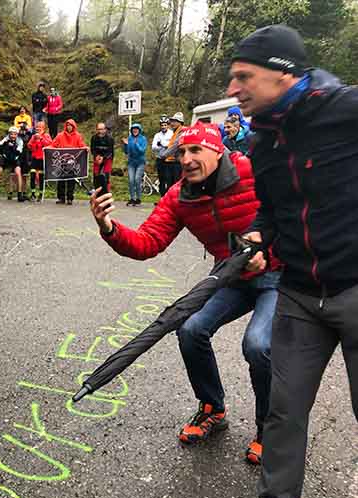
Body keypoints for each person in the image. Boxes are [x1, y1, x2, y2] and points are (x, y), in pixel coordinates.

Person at [226, 24, 358, 498]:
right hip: (301, 294)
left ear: (283, 74)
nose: (233, 88)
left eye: (243, 76)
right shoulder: (262, 139)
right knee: (283, 413)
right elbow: (273, 215)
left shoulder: (345, 110)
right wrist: (257, 242)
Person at [91, 121, 281, 461]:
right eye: (181, 152)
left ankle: (271, 429)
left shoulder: (254, 171)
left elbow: (295, 211)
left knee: (258, 345)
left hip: (278, 274)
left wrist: (268, 251)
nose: (187, 159)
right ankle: (212, 408)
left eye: (195, 150)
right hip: (229, 276)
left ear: (217, 150)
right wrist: (108, 227)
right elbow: (148, 242)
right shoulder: (179, 195)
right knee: (191, 328)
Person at [50, 118, 87, 205]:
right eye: (67, 125)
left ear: (74, 126)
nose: (69, 127)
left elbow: (81, 145)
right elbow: (53, 145)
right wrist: (47, 149)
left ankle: (70, 198)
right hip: (62, 161)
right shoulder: (60, 135)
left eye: (70, 125)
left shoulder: (78, 136)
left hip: (72, 162)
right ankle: (61, 198)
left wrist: (86, 148)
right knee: (61, 180)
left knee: (71, 180)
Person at [157, 111, 185, 186]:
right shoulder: (175, 132)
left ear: (180, 122)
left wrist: (163, 155)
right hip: (172, 161)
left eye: (175, 121)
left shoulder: (181, 132)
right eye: (172, 121)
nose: (172, 123)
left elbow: (174, 146)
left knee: (174, 185)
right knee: (170, 184)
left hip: (177, 163)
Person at [122, 122, 147, 206]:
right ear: (131, 130)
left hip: (140, 162)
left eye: (136, 129)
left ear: (139, 130)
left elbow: (142, 151)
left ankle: (138, 198)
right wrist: (125, 145)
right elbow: (126, 151)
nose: (135, 130)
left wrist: (136, 144)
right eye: (133, 129)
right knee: (131, 181)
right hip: (131, 163)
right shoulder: (129, 138)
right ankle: (132, 198)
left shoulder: (143, 139)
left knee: (137, 179)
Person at [27, 120, 52, 202]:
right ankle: (33, 193)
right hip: (34, 158)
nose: (38, 128)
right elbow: (29, 146)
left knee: (41, 177)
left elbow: (50, 144)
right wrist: (34, 141)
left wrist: (41, 139)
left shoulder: (46, 135)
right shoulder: (34, 136)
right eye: (37, 127)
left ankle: (41, 194)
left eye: (40, 127)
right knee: (32, 174)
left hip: (42, 159)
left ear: (44, 128)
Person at [90, 121, 114, 197]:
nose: (100, 131)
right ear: (96, 130)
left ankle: (107, 193)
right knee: (96, 175)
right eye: (99, 129)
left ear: (105, 129)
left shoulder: (110, 138)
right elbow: (93, 149)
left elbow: (110, 151)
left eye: (102, 129)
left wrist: (103, 158)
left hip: (107, 158)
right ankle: (97, 192)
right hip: (97, 157)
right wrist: (96, 156)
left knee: (106, 176)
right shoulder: (94, 137)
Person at [151, 115, 174, 195]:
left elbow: (171, 146)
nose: (163, 127)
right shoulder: (157, 135)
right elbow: (153, 147)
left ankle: (168, 197)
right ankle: (162, 198)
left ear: (168, 125)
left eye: (165, 125)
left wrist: (161, 144)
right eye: (162, 125)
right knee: (161, 180)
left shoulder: (172, 133)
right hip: (160, 159)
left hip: (169, 160)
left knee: (169, 179)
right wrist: (163, 146)